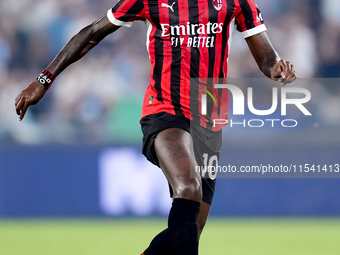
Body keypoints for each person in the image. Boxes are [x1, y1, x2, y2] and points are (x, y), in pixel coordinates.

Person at [15, 0, 296, 254]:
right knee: (188, 187)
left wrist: (277, 70)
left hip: (209, 123)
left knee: (190, 228)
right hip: (164, 112)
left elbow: (266, 59)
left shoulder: (236, 1)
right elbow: (91, 33)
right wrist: (43, 80)